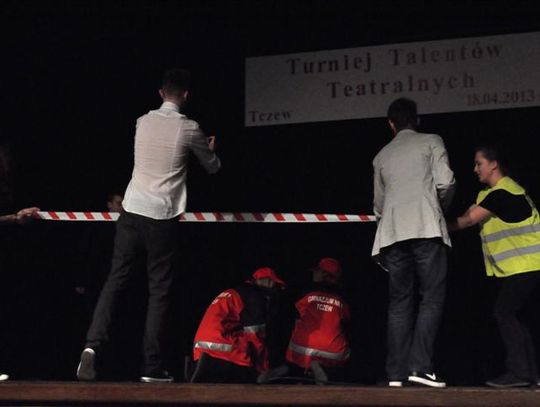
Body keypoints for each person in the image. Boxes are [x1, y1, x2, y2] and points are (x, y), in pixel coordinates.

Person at [77, 68, 221, 383]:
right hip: (161, 218)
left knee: (115, 282)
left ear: (160, 93)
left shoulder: (142, 122)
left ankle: (91, 347)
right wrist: (209, 151)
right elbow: (212, 167)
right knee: (159, 292)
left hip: (131, 213)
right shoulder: (189, 128)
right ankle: (152, 366)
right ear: (186, 96)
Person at [372, 97, 455, 388]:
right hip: (425, 227)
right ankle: (420, 367)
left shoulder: (381, 155)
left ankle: (395, 373)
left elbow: (379, 205)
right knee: (431, 298)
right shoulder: (431, 140)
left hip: (393, 234)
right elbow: (446, 182)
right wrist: (437, 209)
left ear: (391, 124)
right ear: (416, 120)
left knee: (399, 303)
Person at [448, 144, 540, 388]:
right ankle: (531, 375)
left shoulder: (504, 193)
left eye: (479, 163)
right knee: (514, 315)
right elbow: (466, 215)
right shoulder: (491, 194)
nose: (475, 169)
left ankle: (520, 373)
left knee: (504, 312)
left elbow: (467, 221)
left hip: (528, 264)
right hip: (522, 266)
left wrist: (430, 228)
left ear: (493, 164)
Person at [259, 257, 350, 385]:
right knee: (343, 353)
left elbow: (288, 315)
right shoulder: (344, 298)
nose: (313, 274)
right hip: (332, 352)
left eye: (316, 271)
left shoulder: (305, 292)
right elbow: (346, 321)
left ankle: (287, 368)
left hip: (301, 349)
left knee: (297, 335)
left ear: (324, 274)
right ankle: (321, 367)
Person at [188, 267, 286, 383]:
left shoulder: (237, 292)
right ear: (267, 282)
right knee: (246, 365)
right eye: (275, 285)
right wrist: (262, 369)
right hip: (222, 346)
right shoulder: (254, 297)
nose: (275, 290)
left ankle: (207, 366)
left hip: (201, 348)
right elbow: (256, 336)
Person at [74, 191, 124, 319]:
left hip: (118, 277)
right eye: (119, 203)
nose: (122, 207)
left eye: (124, 204)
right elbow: (85, 251)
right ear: (109, 205)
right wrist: (81, 279)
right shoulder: (97, 225)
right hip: (96, 278)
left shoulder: (128, 226)